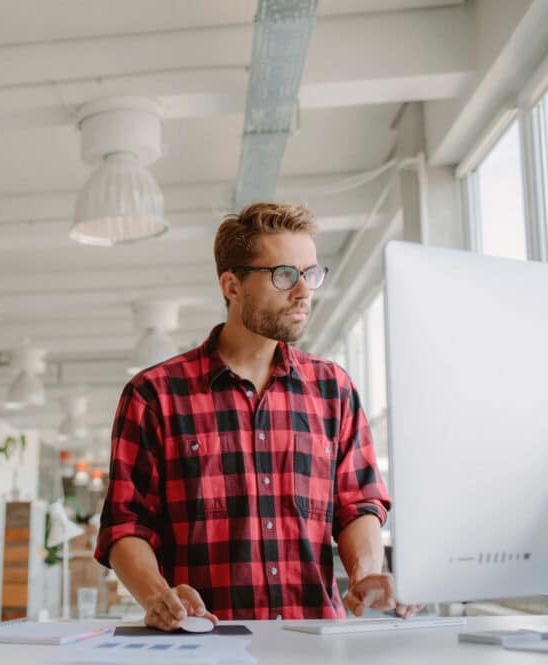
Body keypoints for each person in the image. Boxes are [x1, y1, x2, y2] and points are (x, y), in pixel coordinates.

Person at [94, 202, 422, 630]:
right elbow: (126, 524)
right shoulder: (154, 395)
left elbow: (357, 504)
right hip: (203, 646)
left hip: (315, 646)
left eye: (311, 274)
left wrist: (364, 574)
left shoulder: (333, 390)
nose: (303, 291)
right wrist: (159, 596)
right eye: (284, 275)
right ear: (232, 284)